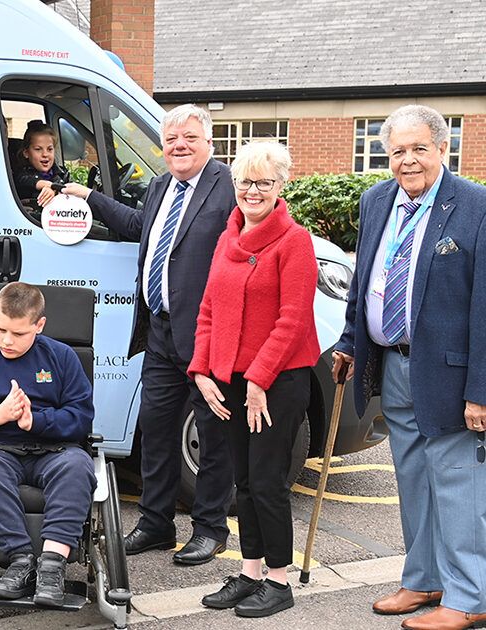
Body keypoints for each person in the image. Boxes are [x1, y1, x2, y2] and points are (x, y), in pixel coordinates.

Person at [332, 105, 486, 630]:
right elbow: (364, 281)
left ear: (443, 149)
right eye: (397, 150)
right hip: (392, 367)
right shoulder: (376, 200)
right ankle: (424, 579)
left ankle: (470, 597)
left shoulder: (475, 206)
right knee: (414, 479)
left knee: (459, 483)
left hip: (450, 372)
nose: (407, 160)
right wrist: (351, 340)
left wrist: (481, 390)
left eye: (419, 148)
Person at [61, 104, 235, 565]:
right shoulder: (161, 186)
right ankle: (157, 525)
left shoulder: (229, 189)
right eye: (172, 139)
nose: (179, 146)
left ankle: (210, 530)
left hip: (206, 336)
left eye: (189, 138)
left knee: (213, 436)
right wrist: (89, 196)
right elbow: (141, 228)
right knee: (156, 432)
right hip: (159, 332)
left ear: (209, 142)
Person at [189, 141, 318, 618]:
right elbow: (208, 309)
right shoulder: (229, 236)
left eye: (264, 182)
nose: (253, 190)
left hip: (277, 381)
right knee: (241, 482)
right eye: (245, 181)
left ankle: (279, 581)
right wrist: (202, 370)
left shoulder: (294, 241)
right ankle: (249, 572)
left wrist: (259, 380)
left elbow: (292, 319)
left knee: (266, 482)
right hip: (230, 379)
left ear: (281, 185)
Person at [0, 282, 96, 607]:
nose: (8, 340)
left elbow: (81, 417)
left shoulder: (62, 357)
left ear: (38, 326)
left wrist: (35, 421)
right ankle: (20, 562)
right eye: (1, 329)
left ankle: (52, 567)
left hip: (54, 450)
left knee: (77, 466)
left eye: (19, 333)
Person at [13, 120, 71, 207]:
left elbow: (71, 192)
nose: (45, 154)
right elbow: (27, 181)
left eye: (50, 149)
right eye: (38, 149)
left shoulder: (63, 173)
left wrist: (55, 190)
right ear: (26, 153)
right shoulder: (21, 175)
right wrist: (50, 186)